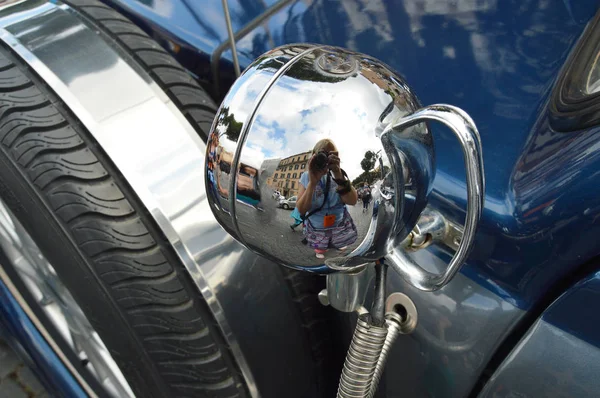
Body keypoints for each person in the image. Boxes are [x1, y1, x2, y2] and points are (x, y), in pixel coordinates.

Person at [296, 139, 358, 258]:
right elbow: (301, 209)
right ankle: (320, 249)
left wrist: (338, 173)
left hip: (339, 224)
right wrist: (312, 183)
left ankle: (338, 242)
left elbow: (352, 200)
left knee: (340, 239)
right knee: (320, 246)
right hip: (317, 226)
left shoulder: (339, 174)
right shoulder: (306, 176)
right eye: (322, 154)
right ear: (313, 156)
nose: (325, 159)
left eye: (330, 155)